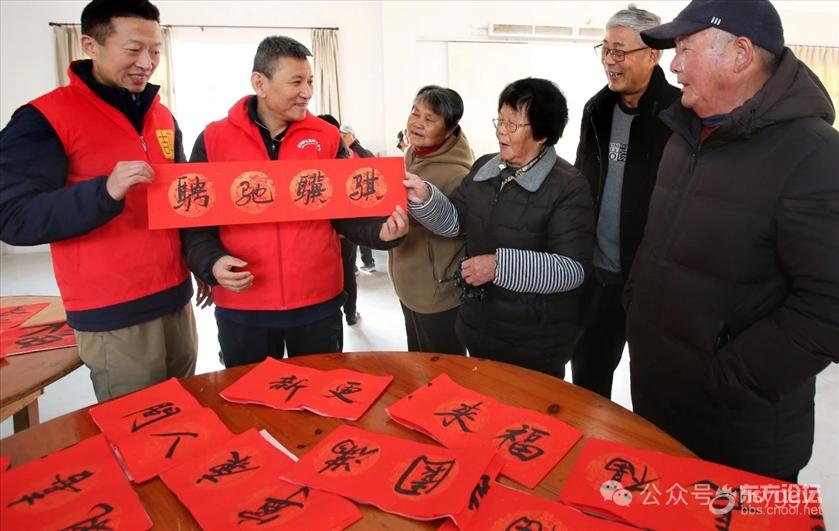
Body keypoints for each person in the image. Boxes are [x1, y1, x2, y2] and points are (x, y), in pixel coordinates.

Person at [626, 0, 839, 481]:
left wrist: (730, 378)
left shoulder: (815, 155)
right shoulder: (682, 137)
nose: (674, 66)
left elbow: (829, 306)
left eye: (686, 49)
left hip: (740, 428)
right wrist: (636, 304)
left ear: (740, 54)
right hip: (658, 400)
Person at [0, 0, 197, 402]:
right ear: (90, 44)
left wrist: (202, 264)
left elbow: (182, 200)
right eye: (133, 49)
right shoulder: (44, 118)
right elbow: (14, 217)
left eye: (155, 51)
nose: (146, 63)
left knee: (186, 412)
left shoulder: (161, 116)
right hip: (114, 311)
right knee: (139, 424)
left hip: (176, 297)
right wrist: (104, 192)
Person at [182, 36, 407, 368]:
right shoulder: (214, 139)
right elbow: (194, 221)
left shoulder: (326, 137)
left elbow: (346, 212)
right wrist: (211, 263)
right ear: (260, 83)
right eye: (296, 82)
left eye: (311, 81)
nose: (307, 92)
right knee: (249, 394)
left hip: (317, 302)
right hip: (244, 306)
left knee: (321, 391)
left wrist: (380, 232)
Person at [405, 78, 594, 377]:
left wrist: (499, 267)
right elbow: (454, 222)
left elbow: (571, 270)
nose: (501, 131)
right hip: (480, 326)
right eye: (500, 120)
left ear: (543, 133)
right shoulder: (485, 168)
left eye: (513, 124)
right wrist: (426, 197)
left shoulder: (568, 186)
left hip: (535, 340)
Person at [571, 6, 680, 399]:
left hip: (650, 284)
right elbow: (581, 181)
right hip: (597, 277)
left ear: (653, 54)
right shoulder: (596, 110)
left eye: (620, 51)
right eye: (605, 49)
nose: (609, 60)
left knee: (655, 387)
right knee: (587, 379)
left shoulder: (679, 115)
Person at [391, 85, 474, 354]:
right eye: (415, 113)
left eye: (429, 119)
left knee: (443, 366)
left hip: (437, 294)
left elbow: (456, 228)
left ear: (449, 130)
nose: (417, 123)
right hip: (409, 284)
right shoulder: (411, 154)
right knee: (417, 359)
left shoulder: (459, 174)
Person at [318, 114, 360, 326]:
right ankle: (349, 313)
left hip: (341, 230)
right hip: (329, 231)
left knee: (343, 272)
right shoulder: (345, 155)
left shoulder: (347, 156)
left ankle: (347, 313)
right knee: (345, 272)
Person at [338, 124, 377, 273]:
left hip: (359, 197)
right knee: (355, 232)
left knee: (358, 231)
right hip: (352, 198)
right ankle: (359, 264)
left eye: (345, 135)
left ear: (353, 136)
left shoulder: (359, 152)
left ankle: (364, 263)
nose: (342, 138)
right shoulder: (343, 152)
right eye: (340, 135)